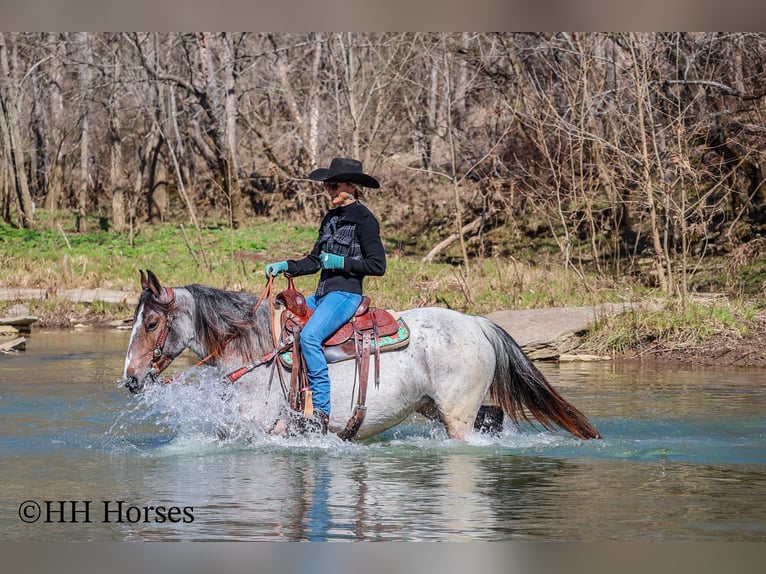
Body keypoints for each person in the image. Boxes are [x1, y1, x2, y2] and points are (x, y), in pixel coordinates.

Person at [265, 157, 386, 433]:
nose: (329, 190)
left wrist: (342, 263)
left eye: (334, 185)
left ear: (351, 187)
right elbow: (314, 261)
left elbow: (378, 266)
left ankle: (320, 412)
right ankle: (290, 397)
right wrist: (286, 266)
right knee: (281, 324)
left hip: (346, 295)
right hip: (321, 295)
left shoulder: (365, 220)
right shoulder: (330, 218)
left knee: (309, 337)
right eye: (327, 186)